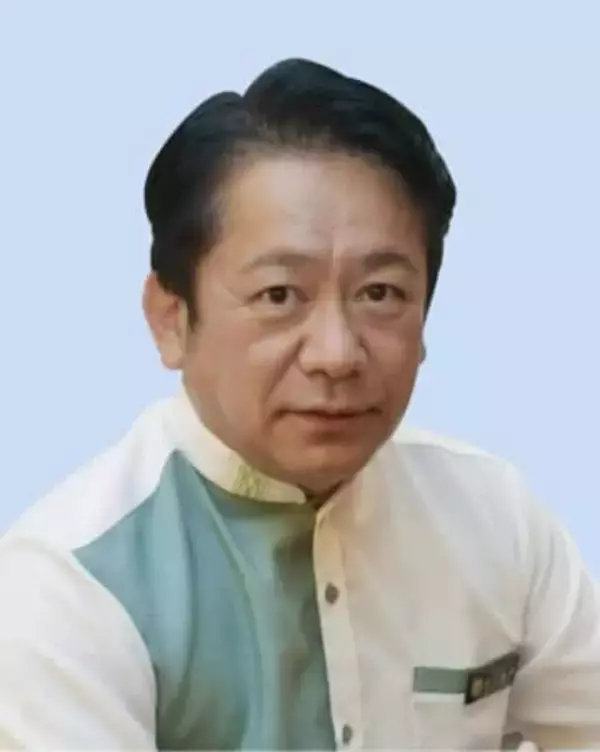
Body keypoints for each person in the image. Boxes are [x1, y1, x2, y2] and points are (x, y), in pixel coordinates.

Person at [0, 58, 598, 751]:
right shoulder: (68, 585)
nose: (337, 354)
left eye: (380, 294)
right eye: (280, 295)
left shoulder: (493, 517)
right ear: (170, 319)